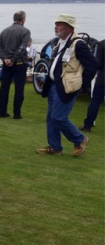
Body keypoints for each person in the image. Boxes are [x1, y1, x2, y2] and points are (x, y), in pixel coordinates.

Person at [36, 14, 97, 156]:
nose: (56, 27)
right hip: (54, 85)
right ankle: (55, 147)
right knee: (51, 118)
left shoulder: (78, 44)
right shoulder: (61, 42)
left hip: (66, 87)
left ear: (69, 28)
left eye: (59, 24)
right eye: (56, 24)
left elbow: (93, 65)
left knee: (58, 117)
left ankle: (80, 139)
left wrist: (81, 84)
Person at [0, 11, 31, 119]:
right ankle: (17, 113)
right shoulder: (25, 31)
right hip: (19, 63)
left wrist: (5, 58)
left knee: (4, 87)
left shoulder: (4, 31)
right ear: (23, 19)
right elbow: (22, 47)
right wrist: (13, 59)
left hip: (6, 63)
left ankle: (2, 111)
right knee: (19, 88)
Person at [79, 38, 104, 133]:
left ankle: (88, 125)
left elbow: (98, 63)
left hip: (102, 79)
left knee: (95, 101)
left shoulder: (102, 44)